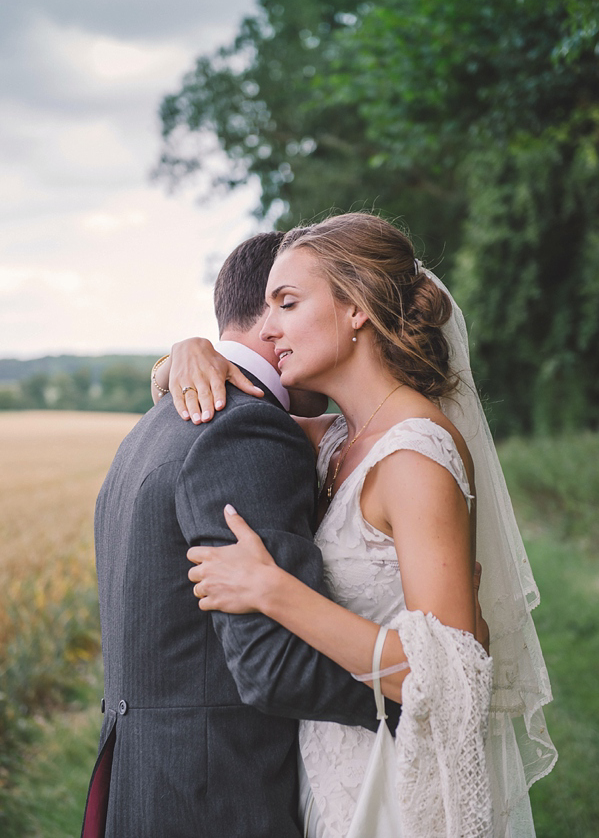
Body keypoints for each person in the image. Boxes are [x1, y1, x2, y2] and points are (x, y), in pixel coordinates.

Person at [163, 213, 557, 837]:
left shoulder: (414, 457)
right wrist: (188, 352)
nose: (268, 330)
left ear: (356, 310)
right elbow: (235, 410)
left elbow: (450, 675)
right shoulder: (340, 439)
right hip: (331, 773)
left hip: (396, 790)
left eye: (287, 303)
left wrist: (274, 591)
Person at [81, 231, 399, 838]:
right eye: (284, 302)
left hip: (143, 783)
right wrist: (416, 700)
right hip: (218, 797)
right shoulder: (249, 432)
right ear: (269, 314)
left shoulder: (151, 427)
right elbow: (271, 665)